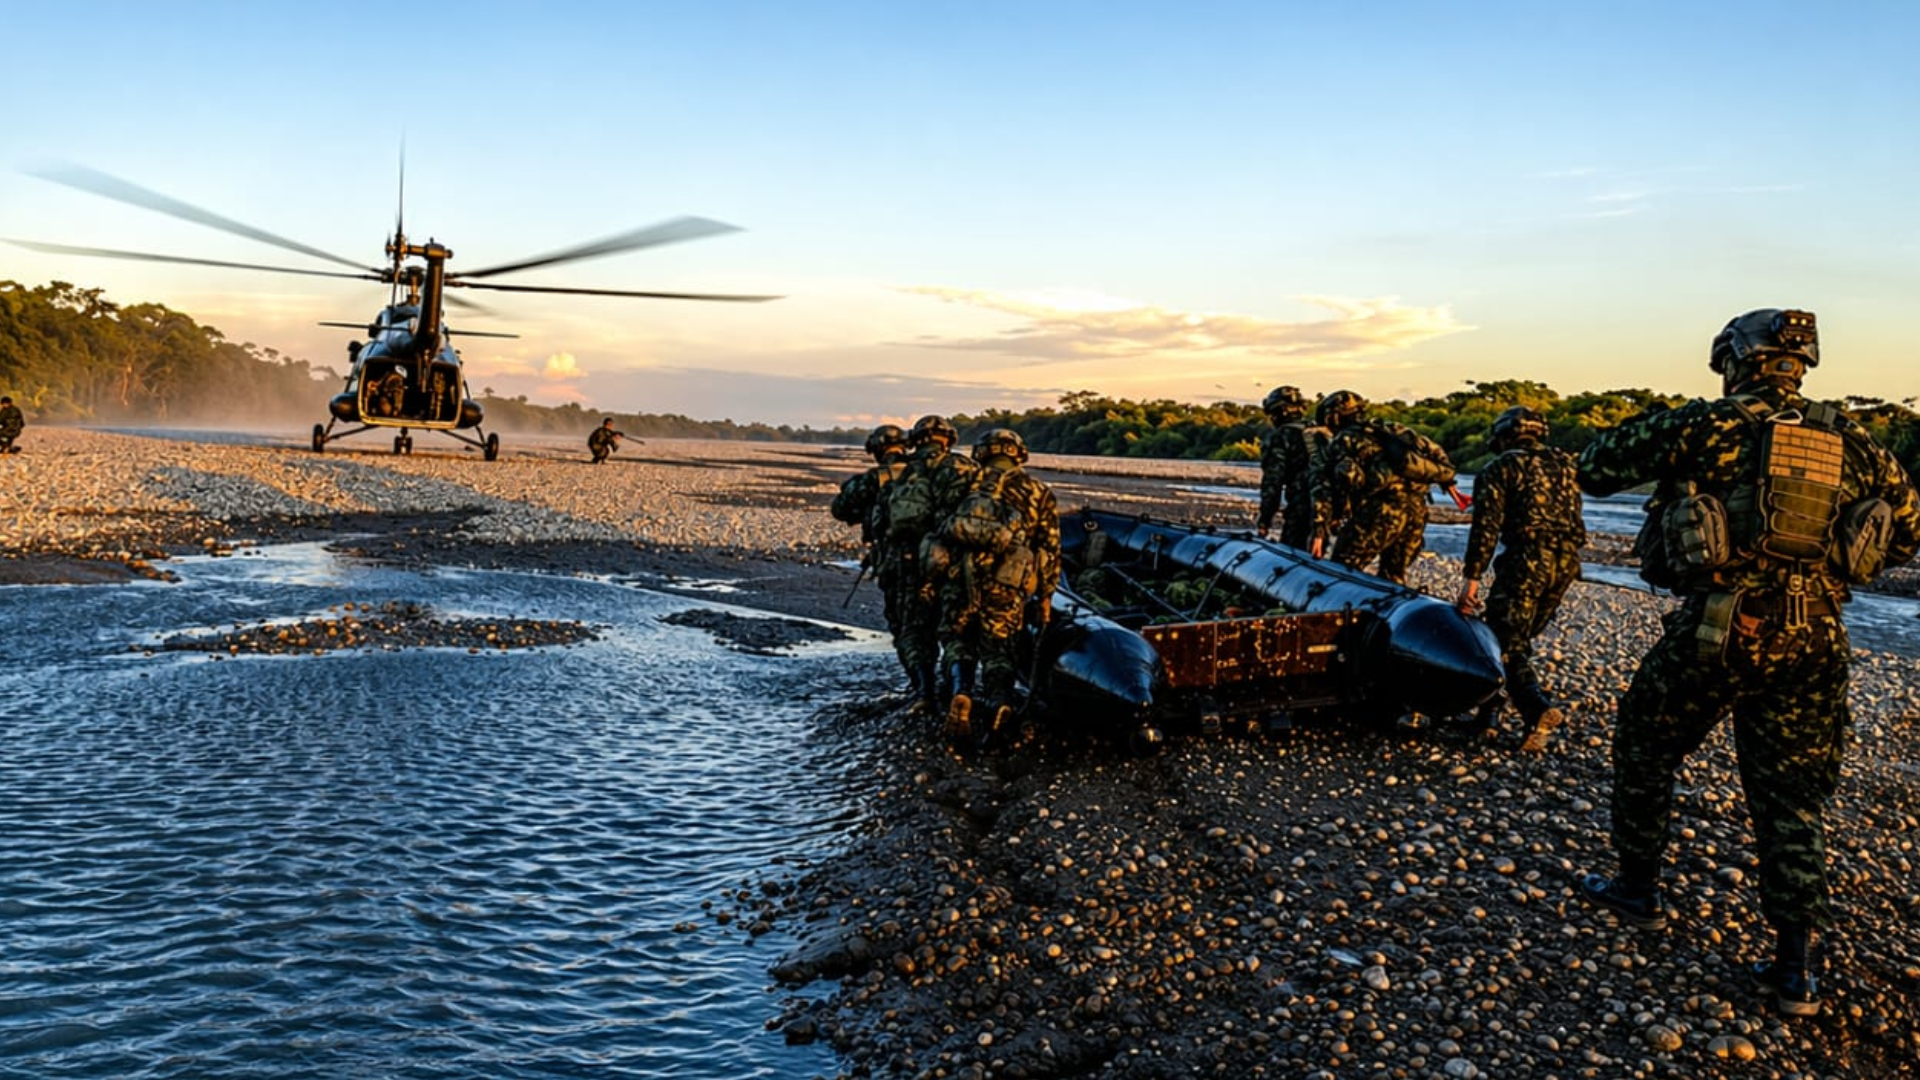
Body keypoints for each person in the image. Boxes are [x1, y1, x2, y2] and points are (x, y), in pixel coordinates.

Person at [1574, 308, 1920, 1018]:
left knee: (1646, 744)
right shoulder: (1853, 439)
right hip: (1817, 637)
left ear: (1734, 357)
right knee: (1792, 797)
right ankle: (1794, 969)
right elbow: (1909, 529)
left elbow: (1596, 470)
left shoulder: (1705, 424)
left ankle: (1637, 891)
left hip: (1720, 629)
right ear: (1803, 364)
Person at [1452, 406, 1586, 751]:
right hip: (1568, 563)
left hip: (1527, 560)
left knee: (1503, 642)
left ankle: (1536, 708)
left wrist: (1471, 580)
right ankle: (1488, 719)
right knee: (1518, 641)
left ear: (1503, 435)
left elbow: (1485, 529)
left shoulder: (1500, 468)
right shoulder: (1567, 465)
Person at [934, 428, 1060, 751]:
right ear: (1019, 454)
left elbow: (937, 525)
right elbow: (1049, 550)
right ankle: (999, 705)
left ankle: (962, 690)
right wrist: (1045, 596)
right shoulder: (1037, 491)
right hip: (1007, 582)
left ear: (981, 452)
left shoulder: (963, 482)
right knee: (999, 647)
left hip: (957, 575)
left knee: (957, 638)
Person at [875, 415, 980, 714]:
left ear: (916, 439)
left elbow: (881, 521)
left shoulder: (900, 472)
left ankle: (923, 691)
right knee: (958, 632)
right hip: (956, 564)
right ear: (949, 439)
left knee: (913, 631)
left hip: (910, 566)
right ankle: (961, 690)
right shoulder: (968, 468)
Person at [1309, 390, 1463, 585]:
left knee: (1342, 571)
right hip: (1417, 511)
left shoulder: (1344, 440)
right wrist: (1447, 482)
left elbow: (1324, 487)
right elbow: (1433, 452)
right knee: (1394, 577)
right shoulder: (1392, 430)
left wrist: (1319, 530)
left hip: (1381, 511)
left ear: (1334, 416)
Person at [830, 424, 912, 685]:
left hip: (894, 560)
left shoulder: (875, 479)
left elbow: (840, 509)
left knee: (903, 625)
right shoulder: (929, 474)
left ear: (876, 450)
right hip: (939, 561)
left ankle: (922, 688)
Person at [1255, 385, 1329, 549]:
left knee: (1293, 552)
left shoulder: (1280, 437)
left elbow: (1273, 482)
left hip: (1302, 507)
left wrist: (1265, 520)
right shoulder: (1322, 433)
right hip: (1329, 508)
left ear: (1279, 413)